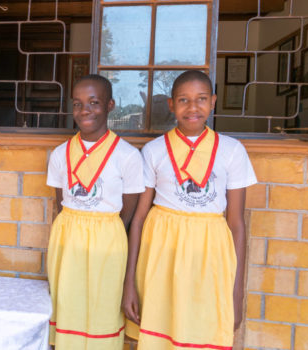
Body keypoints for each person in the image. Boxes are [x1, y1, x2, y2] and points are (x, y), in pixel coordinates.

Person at [122, 70, 256, 349]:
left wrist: (237, 292)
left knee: (202, 332)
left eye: (201, 99)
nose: (193, 107)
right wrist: (129, 283)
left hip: (210, 255)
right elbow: (139, 219)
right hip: (161, 252)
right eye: (183, 100)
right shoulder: (154, 150)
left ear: (213, 101)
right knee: (161, 332)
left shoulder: (232, 150)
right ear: (171, 105)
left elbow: (236, 223)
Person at [46, 74, 144, 350]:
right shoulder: (60, 154)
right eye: (77, 104)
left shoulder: (127, 156)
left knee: (103, 311)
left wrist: (101, 229)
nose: (84, 110)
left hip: (108, 242)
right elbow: (60, 203)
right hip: (68, 240)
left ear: (110, 105)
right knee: (68, 307)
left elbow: (128, 212)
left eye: (94, 102)